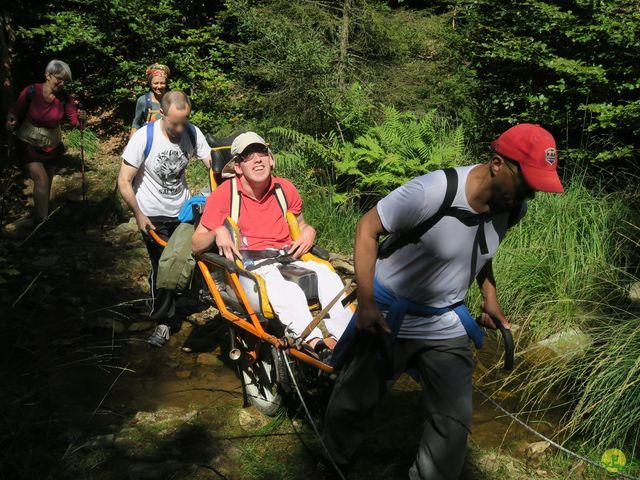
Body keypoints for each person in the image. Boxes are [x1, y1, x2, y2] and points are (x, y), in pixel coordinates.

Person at [318, 124, 564, 480]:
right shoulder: (433, 191)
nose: (532, 195)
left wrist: (489, 294)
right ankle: (333, 463)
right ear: (497, 164)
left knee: (453, 419)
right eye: (527, 183)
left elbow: (480, 247)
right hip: (389, 315)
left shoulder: (512, 207)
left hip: (445, 320)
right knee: (355, 403)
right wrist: (367, 304)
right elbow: (366, 228)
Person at [191, 132, 352, 353]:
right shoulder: (223, 196)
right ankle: (314, 345)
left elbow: (301, 225)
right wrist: (217, 230)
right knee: (289, 292)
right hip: (248, 267)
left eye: (262, 153)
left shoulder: (285, 189)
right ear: (238, 166)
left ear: (270, 159)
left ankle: (347, 342)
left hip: (287, 258)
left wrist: (309, 231)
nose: (258, 159)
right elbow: (196, 244)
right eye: (249, 155)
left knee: (330, 278)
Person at [118, 90, 212, 347]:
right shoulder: (144, 137)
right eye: (175, 123)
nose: (180, 128)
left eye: (184, 121)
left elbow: (212, 163)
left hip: (182, 210)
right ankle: (163, 322)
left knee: (192, 254)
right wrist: (138, 214)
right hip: (151, 212)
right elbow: (124, 181)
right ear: (162, 114)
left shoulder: (192, 132)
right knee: (163, 263)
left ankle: (186, 296)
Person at [4, 59, 86, 234]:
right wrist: (11, 120)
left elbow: (75, 122)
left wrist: (81, 119)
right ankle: (43, 223)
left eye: (65, 81)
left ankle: (40, 216)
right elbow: (16, 111)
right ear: (48, 76)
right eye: (59, 79)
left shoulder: (65, 98)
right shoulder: (32, 91)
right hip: (28, 142)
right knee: (41, 179)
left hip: (52, 144)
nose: (62, 84)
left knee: (46, 183)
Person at [130, 63, 169, 137]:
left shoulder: (171, 100)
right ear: (150, 84)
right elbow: (136, 125)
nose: (159, 86)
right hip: (149, 142)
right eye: (156, 83)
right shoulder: (143, 101)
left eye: (162, 83)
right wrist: (131, 145)